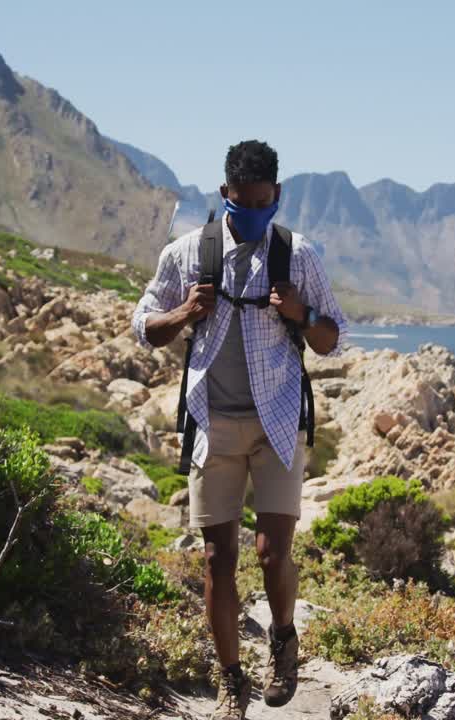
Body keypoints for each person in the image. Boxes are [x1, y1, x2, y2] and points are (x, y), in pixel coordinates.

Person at [132, 140, 346, 719]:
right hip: (212, 425)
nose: (252, 210)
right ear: (225, 194)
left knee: (273, 553)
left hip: (278, 421)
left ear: (276, 195)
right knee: (215, 558)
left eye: (262, 201)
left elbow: (331, 341)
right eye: (242, 201)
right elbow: (144, 325)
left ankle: (282, 639)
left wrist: (301, 314)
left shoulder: (298, 255)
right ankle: (231, 680)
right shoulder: (185, 255)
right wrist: (183, 314)